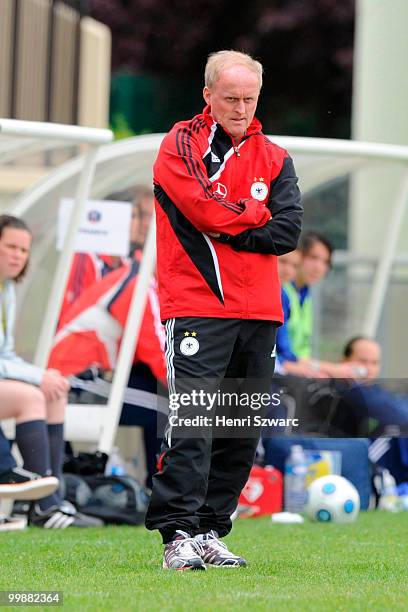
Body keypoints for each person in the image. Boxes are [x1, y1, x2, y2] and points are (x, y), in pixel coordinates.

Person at [145, 50, 303, 570]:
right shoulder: (180, 144)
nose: (240, 108)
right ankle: (177, 536)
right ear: (207, 94)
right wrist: (252, 213)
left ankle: (212, 529)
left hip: (259, 309)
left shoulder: (276, 157)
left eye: (249, 98)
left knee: (240, 425)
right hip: (196, 303)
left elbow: (286, 232)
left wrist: (230, 218)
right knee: (193, 420)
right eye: (231, 97)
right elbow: (199, 208)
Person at [0, 215, 100, 528]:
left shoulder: (8, 290)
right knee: (31, 396)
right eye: (10, 247)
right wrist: (36, 377)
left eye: (24, 250)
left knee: (54, 392)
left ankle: (51, 501)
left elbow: (6, 354)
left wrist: (45, 376)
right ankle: (39, 506)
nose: (18, 255)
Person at [58, 186, 154, 324]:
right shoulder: (88, 257)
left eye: (135, 216)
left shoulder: (127, 262)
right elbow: (73, 311)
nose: (134, 223)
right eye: (127, 216)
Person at [276, 231, 358, 379]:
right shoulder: (282, 291)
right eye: (313, 258)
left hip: (297, 370)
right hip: (284, 371)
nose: (318, 267)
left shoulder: (305, 294)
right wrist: (330, 368)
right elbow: (284, 352)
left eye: (325, 262)